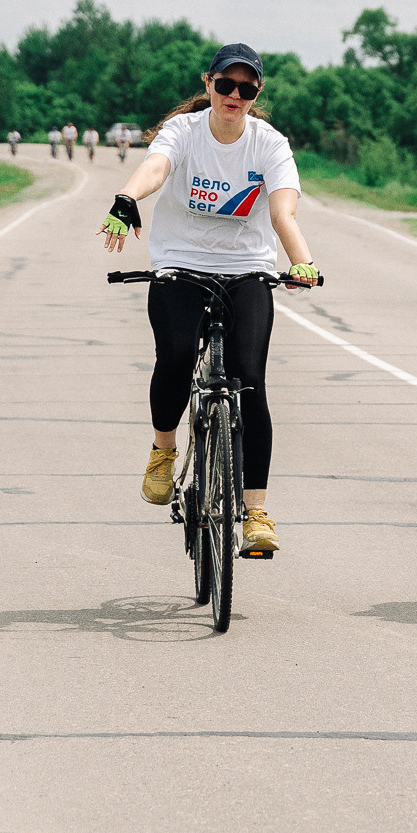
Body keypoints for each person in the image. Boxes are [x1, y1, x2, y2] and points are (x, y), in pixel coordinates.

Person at [99, 44, 320, 559]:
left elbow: (284, 212)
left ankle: (257, 513)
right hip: (181, 262)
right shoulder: (186, 131)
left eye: (247, 88)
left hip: (247, 270)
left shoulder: (269, 144)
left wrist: (302, 261)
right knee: (175, 358)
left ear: (256, 93)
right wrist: (129, 197)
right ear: (209, 84)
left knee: (249, 380)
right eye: (226, 85)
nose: (235, 95)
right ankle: (163, 450)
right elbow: (156, 167)